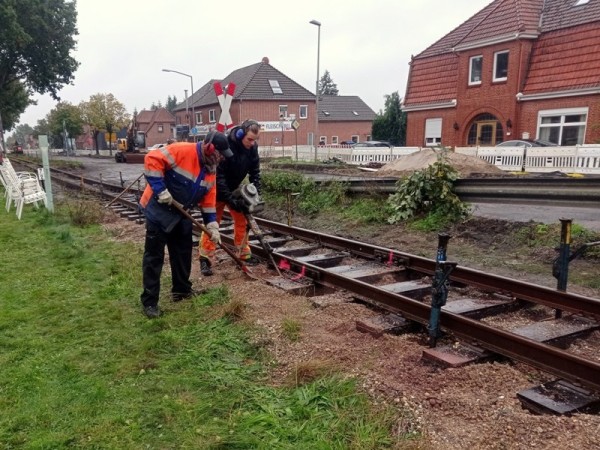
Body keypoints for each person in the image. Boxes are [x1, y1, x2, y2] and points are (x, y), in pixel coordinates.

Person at [139, 131, 232, 318]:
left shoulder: (211, 169)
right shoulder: (182, 150)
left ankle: (181, 291)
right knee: (154, 257)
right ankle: (149, 302)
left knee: (182, 253)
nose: (221, 159)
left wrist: (212, 224)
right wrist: (161, 190)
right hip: (159, 209)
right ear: (210, 148)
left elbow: (208, 199)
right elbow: (151, 159)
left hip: (182, 212)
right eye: (220, 154)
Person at [199, 119, 261, 275]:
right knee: (212, 222)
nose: (252, 143)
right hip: (216, 189)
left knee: (242, 218)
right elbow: (219, 176)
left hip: (234, 188)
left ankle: (243, 253)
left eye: (255, 140)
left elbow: (255, 171)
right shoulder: (226, 146)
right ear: (241, 134)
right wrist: (229, 199)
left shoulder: (252, 149)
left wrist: (256, 191)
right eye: (250, 139)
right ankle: (205, 258)